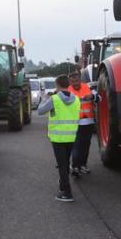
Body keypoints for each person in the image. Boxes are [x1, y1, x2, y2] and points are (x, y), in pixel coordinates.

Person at [37, 74, 80, 202]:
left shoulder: (54, 99)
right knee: (65, 163)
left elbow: (40, 111)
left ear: (57, 85)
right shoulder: (76, 99)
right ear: (68, 85)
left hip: (58, 138)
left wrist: (45, 98)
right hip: (71, 137)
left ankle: (67, 193)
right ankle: (63, 186)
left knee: (62, 165)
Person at [67, 69, 96, 176]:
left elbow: (99, 98)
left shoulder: (88, 87)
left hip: (88, 122)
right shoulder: (68, 91)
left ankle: (83, 165)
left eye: (77, 80)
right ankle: (75, 166)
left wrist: (92, 96)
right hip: (75, 123)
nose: (75, 83)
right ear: (70, 82)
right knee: (76, 145)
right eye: (73, 81)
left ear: (80, 79)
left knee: (86, 145)